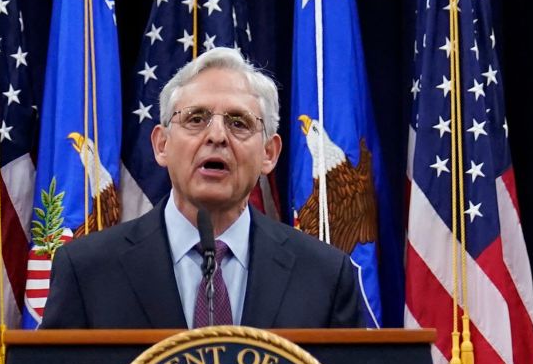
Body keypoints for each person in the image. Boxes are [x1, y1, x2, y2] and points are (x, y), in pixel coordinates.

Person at [39, 48, 366, 330]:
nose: (217, 136)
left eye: (239, 122)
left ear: (269, 154)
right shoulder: (88, 271)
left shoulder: (324, 276)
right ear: (161, 145)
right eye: (196, 119)